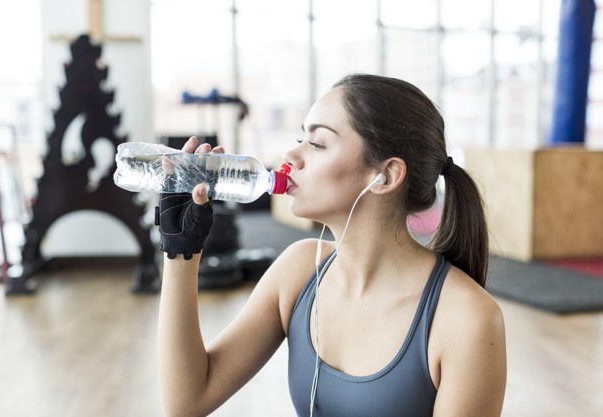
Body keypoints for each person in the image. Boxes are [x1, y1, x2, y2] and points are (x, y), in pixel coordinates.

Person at [156, 73, 507, 417]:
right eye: (300, 138)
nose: (291, 157)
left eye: (318, 143)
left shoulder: (467, 319)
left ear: (385, 175)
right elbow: (188, 401)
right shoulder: (298, 270)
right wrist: (181, 252)